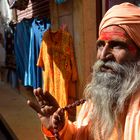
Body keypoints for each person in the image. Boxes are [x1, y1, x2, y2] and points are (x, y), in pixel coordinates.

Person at [27, 2, 140, 140]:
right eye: (100, 45)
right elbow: (82, 134)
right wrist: (60, 127)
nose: (103, 55)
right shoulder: (97, 99)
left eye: (117, 45)